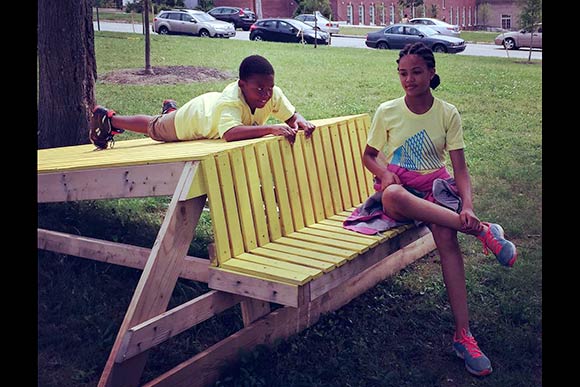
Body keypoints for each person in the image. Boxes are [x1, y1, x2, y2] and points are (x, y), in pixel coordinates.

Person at [359, 42, 517, 376]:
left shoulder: (447, 113)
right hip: (399, 192)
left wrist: (468, 205)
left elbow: (460, 169)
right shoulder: (386, 110)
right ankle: (484, 232)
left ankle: (464, 336)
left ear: (432, 73)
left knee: (446, 236)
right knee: (395, 196)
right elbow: (369, 155)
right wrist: (384, 173)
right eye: (403, 73)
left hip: (435, 192)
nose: (409, 79)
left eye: (416, 72)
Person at [89, 55, 316, 150]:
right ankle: (108, 118)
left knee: (165, 120)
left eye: (269, 88)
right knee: (155, 127)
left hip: (209, 111)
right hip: (195, 118)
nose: (266, 94)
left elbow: (292, 116)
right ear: (242, 84)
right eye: (259, 89)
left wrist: (302, 122)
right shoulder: (231, 100)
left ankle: (171, 110)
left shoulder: (272, 93)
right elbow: (230, 133)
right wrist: (271, 128)